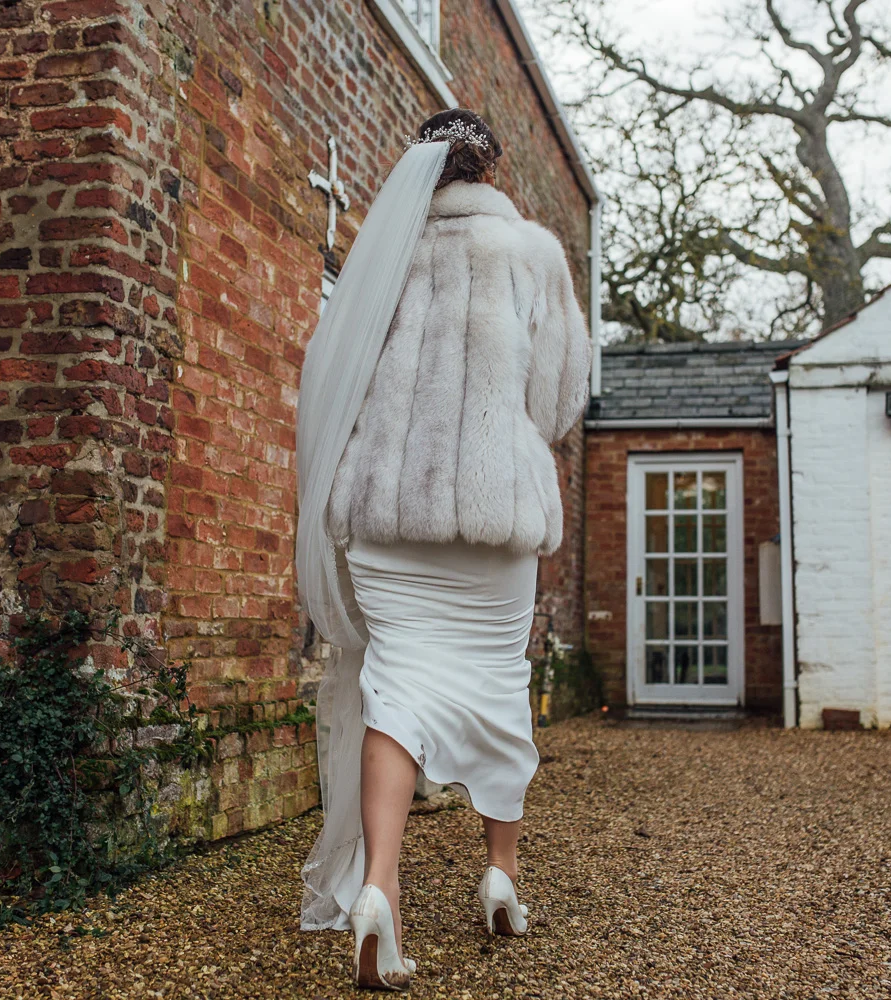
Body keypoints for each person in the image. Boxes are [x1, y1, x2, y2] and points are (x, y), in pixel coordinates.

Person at [294, 108, 591, 990]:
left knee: (396, 691)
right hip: (494, 521)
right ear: (490, 171)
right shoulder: (530, 252)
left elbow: (332, 388)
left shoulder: (382, 262)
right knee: (499, 685)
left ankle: (379, 887)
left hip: (388, 521)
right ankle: (501, 873)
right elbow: (559, 400)